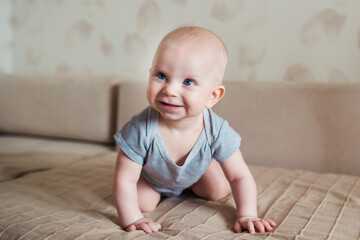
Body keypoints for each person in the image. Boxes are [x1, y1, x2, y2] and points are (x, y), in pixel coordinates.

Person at [113, 26, 276, 234]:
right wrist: (133, 219)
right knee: (142, 203)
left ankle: (205, 167)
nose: (170, 90)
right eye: (161, 75)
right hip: (153, 178)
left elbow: (240, 176)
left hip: (196, 175)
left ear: (212, 96)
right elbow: (124, 179)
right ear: (150, 73)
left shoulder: (216, 130)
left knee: (219, 190)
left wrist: (247, 214)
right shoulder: (139, 129)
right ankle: (161, 188)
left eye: (188, 82)